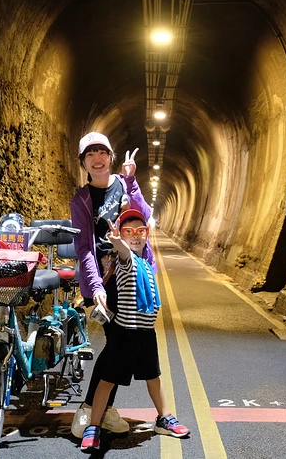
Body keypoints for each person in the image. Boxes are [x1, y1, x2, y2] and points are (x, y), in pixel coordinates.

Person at [69, 132, 157, 438]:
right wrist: (95, 288)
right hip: (107, 282)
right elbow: (84, 248)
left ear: (111, 157)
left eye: (102, 152)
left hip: (135, 275)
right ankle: (93, 409)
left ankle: (99, 410)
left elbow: (145, 218)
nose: (97, 158)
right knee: (119, 343)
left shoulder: (124, 184)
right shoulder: (81, 200)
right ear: (83, 162)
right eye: (90, 153)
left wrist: (132, 182)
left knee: (122, 345)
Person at [80, 209, 189, 453]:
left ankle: (164, 418)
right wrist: (119, 243)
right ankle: (93, 426)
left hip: (146, 333)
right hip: (125, 333)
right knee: (107, 381)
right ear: (122, 236)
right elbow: (124, 252)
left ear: (147, 233)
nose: (135, 236)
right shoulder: (125, 261)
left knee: (154, 377)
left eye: (140, 231)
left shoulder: (146, 263)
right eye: (129, 232)